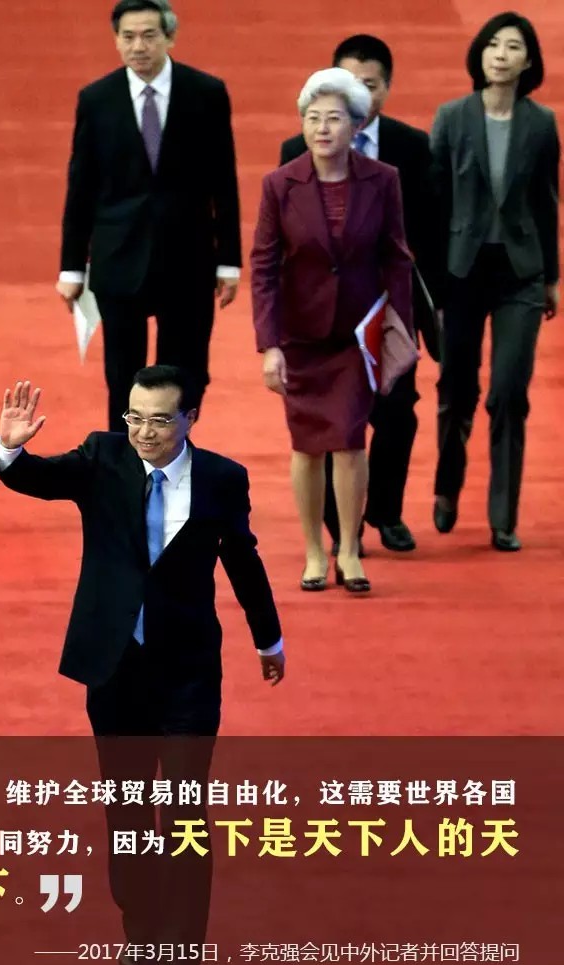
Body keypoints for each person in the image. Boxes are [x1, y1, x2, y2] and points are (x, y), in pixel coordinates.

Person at [0, 369, 284, 965]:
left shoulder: (222, 478)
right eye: (134, 417)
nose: (143, 432)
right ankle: (141, 928)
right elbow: (36, 478)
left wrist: (269, 639)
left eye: (158, 420)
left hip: (187, 675)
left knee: (183, 814)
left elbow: (243, 558)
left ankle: (183, 957)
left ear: (190, 418)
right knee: (127, 810)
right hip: (115, 669)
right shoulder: (103, 457)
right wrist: (10, 450)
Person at [251, 68, 413, 594]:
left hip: (357, 337)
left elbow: (396, 257)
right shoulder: (280, 184)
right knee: (307, 446)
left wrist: (400, 331)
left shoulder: (382, 180)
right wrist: (269, 344)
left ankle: (348, 547)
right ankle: (314, 552)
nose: (322, 128)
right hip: (301, 337)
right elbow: (264, 265)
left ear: (356, 125)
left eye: (334, 119)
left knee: (348, 440)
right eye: (313, 118)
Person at [280, 36, 441, 555]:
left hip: (388, 310)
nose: (357, 94)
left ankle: (386, 512)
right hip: (323, 312)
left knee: (398, 411)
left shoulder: (411, 147)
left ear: (385, 89)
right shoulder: (296, 148)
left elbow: (428, 233)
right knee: (332, 418)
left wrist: (428, 305)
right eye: (348, 82)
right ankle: (339, 529)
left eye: (368, 85)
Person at [56, 1, 242, 431]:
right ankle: (124, 464)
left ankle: (177, 457)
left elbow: (223, 181)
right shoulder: (97, 99)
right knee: (122, 374)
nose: (138, 46)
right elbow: (80, 188)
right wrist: (71, 267)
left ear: (169, 38)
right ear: (116, 41)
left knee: (185, 372)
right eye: (128, 37)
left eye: (148, 36)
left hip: (188, 257)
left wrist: (228, 261)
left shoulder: (206, 93)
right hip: (118, 257)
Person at [430, 11, 560, 550]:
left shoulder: (541, 123)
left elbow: (547, 202)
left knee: (509, 389)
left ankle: (503, 516)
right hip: (462, 269)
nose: (501, 55)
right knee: (457, 387)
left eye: (513, 47)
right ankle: (447, 485)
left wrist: (552, 277)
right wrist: (431, 277)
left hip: (520, 274)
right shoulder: (452, 117)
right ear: (479, 55)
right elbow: (435, 200)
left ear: (529, 61)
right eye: (493, 45)